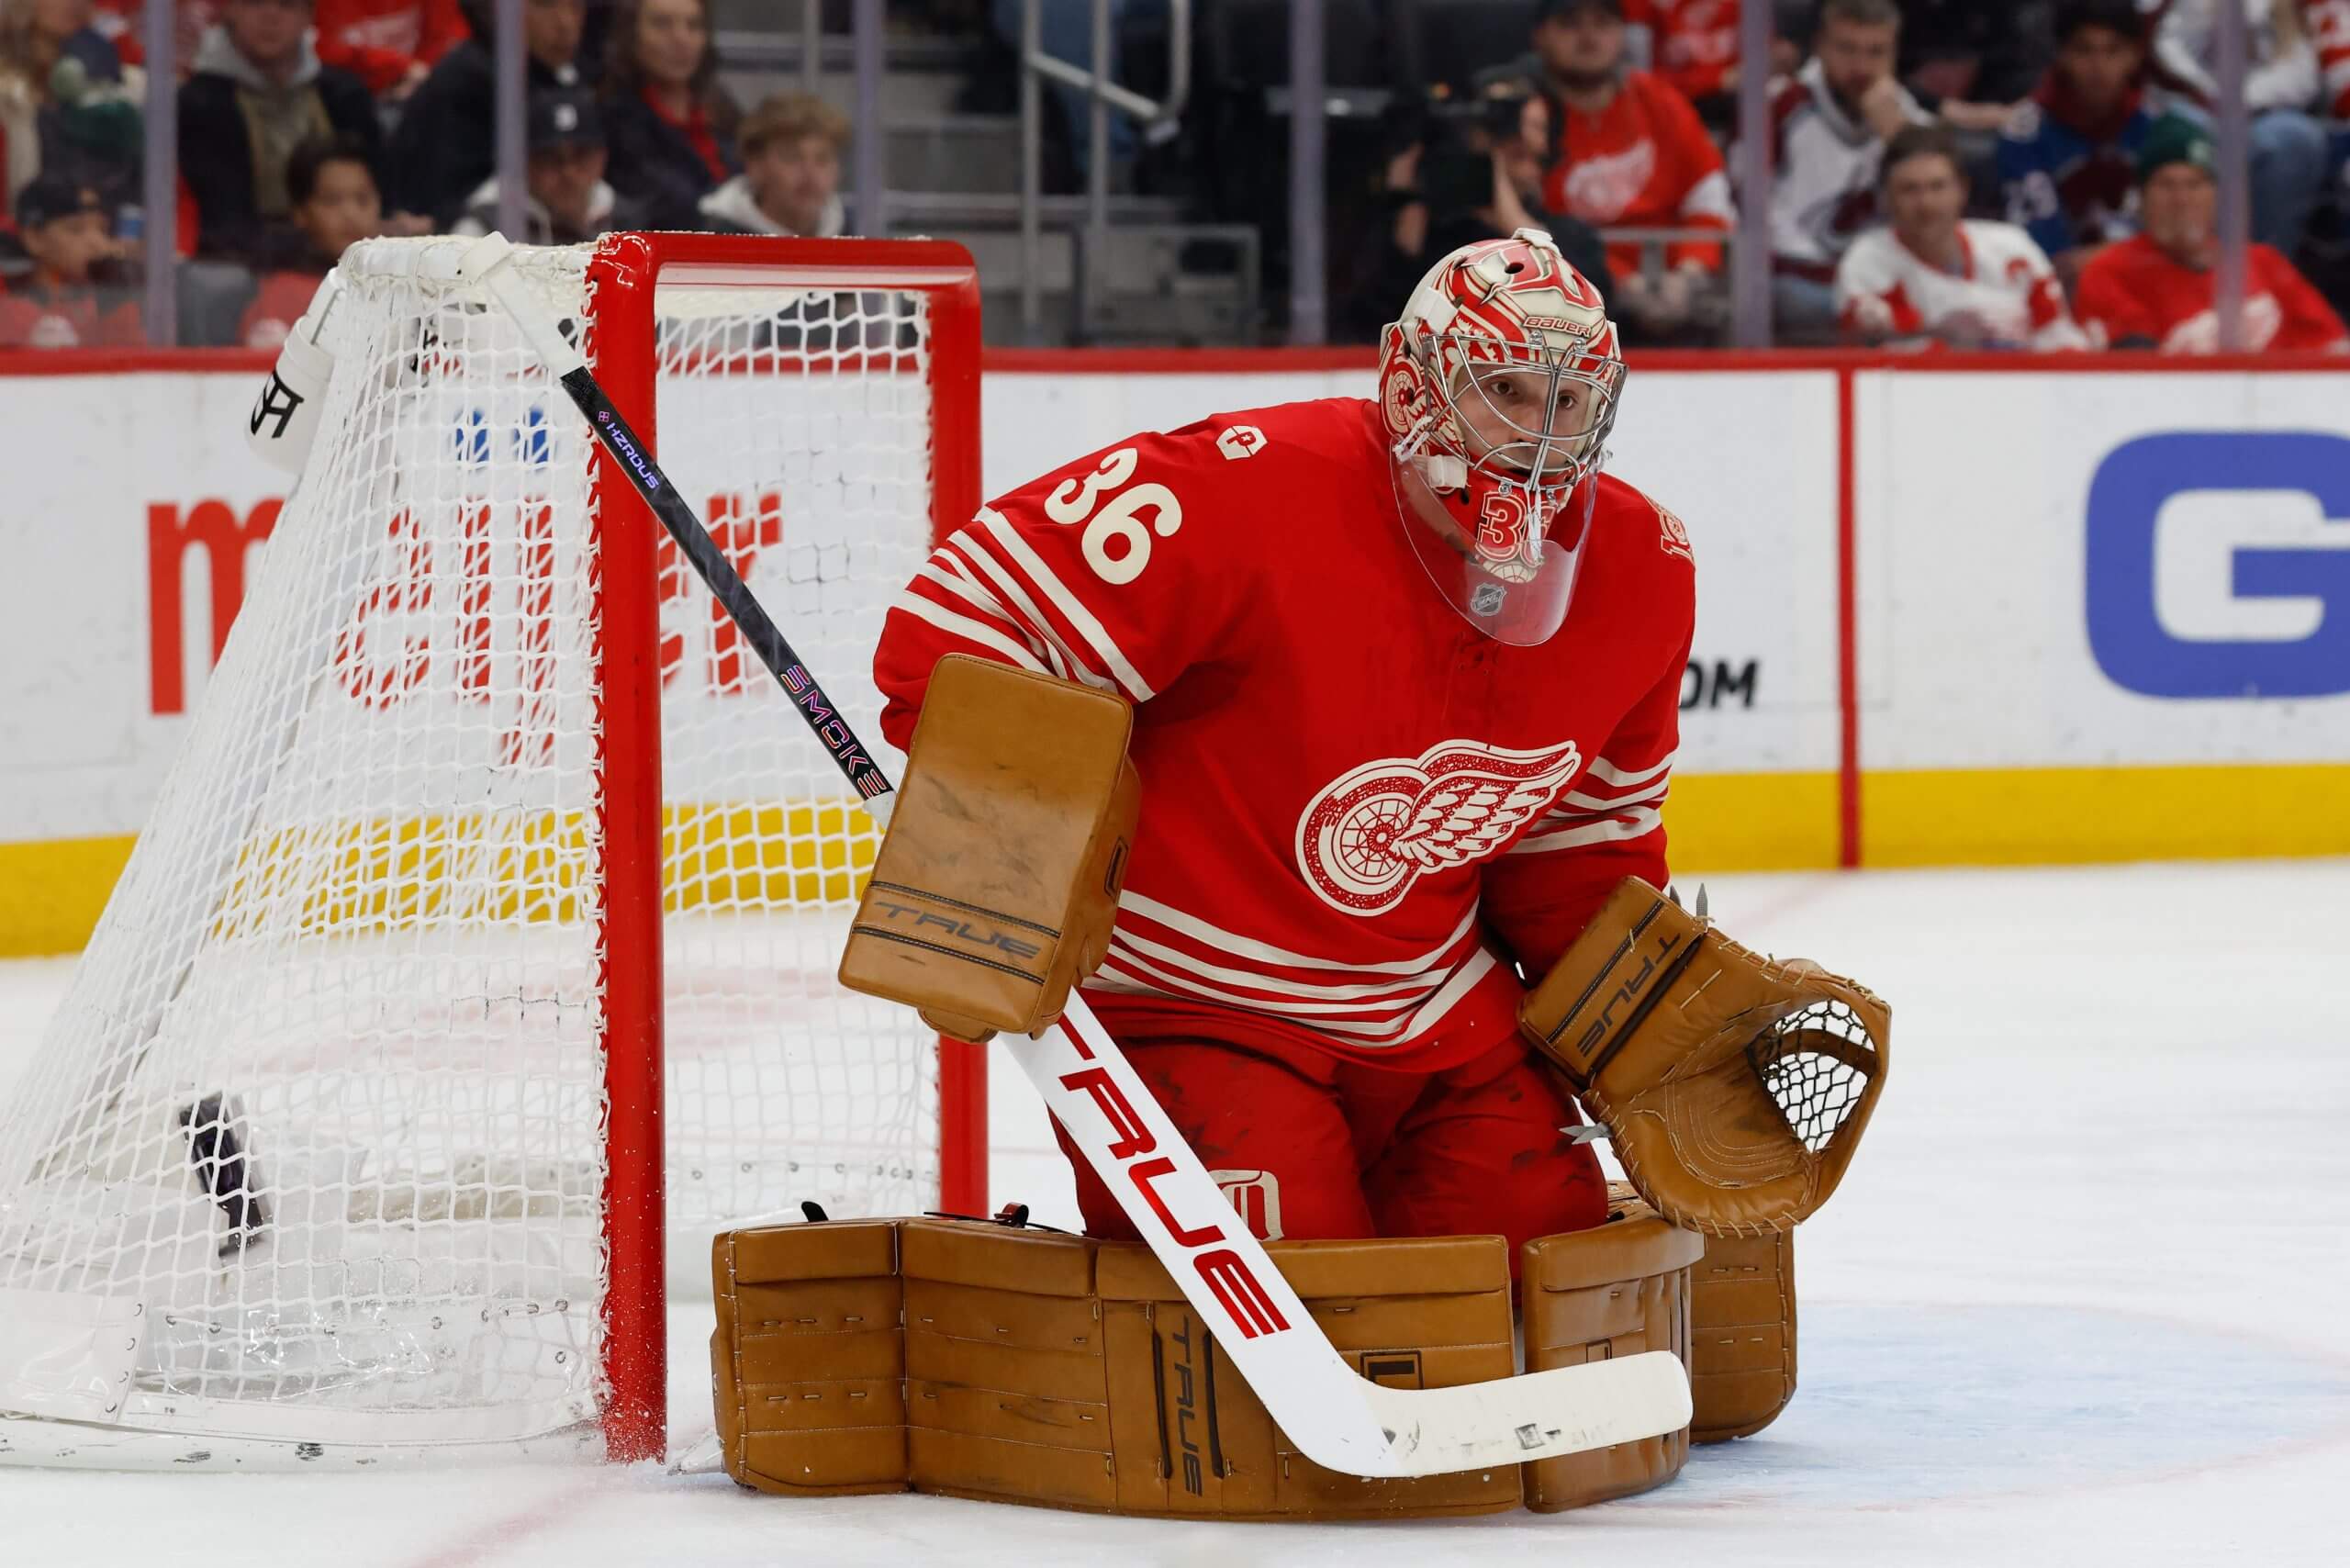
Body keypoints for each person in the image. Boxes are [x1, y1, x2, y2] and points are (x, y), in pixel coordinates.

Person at [871, 228, 1694, 1258]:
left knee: (1544, 1266)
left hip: (1435, 1022)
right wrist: (999, 869)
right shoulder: (1246, 485)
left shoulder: (1642, 567)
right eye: (1505, 390)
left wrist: (1648, 1036)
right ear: (1413, 385)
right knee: (1302, 1301)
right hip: (1189, 1007)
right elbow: (964, 616)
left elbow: (1578, 851)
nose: (1538, 436)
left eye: (1567, 402)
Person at [1524, 0, 1732, 339]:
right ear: (1540, 36)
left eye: (1602, 24)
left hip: (1675, 293)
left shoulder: (1660, 101)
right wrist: (1618, 281)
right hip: (1564, 302)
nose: (1589, 38)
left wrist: (1689, 274)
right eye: (1570, 24)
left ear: (1623, 33)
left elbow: (1708, 197)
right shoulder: (1527, 115)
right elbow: (1526, 220)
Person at [1348, 81, 1615, 342]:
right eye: (1502, 135)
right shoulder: (1436, 236)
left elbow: (1591, 309)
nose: (1521, 142)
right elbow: (1382, 317)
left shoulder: (1571, 237)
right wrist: (1406, 196)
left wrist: (1508, 213)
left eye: (1536, 129)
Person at [2073, 114, 2349, 352]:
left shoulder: (2263, 263)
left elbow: (2333, 350)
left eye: (2194, 184)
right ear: (2142, 199)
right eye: (2166, 185)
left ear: (2217, 196)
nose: (2181, 199)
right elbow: (2137, 378)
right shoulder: (2112, 272)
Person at [1837, 123, 2088, 351]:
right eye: (1909, 189)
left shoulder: (2013, 248)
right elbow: (1884, 358)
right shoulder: (1867, 264)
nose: (1926, 203)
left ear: (1963, 189)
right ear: (1887, 198)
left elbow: (2060, 338)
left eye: (1938, 186)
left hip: (2026, 384)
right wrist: (1945, 338)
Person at [1768, 0, 1931, 341]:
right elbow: (1748, 214)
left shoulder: (1909, 119)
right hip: (1799, 276)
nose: (1861, 66)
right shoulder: (1778, 107)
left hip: (1882, 277)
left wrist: (1898, 143)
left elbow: (1937, 220)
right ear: (1820, 47)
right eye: (1847, 49)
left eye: (1876, 52)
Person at [177, 0, 385, 261]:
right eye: (256, 3)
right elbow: (221, 224)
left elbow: (381, 198)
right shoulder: (199, 105)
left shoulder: (346, 96)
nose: (271, 17)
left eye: (286, 4)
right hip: (240, 265)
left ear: (308, 15)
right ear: (229, 9)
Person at [1998, 0, 2159, 291]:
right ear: (2061, 54)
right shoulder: (2025, 132)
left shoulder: (2158, 126)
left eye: (2112, 50)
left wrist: (2105, 256)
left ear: (2134, 56)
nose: (2098, 66)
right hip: (2057, 288)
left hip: (2145, 279)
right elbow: (2043, 251)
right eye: (2084, 50)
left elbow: (2172, 236)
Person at [387, 0, 585, 230]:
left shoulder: (564, 74)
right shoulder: (467, 81)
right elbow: (447, 204)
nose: (566, 23)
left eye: (576, 6)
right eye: (545, 5)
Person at [2152, 0, 2327, 255]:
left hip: (2263, 113)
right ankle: (2191, 263)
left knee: (2297, 137)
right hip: (2200, 107)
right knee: (2179, 132)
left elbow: (2302, 75)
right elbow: (2168, 48)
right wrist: (2209, 90)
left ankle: (2265, 262)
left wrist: (2244, 97)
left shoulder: (2281, 6)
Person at [599, 0, 735, 231]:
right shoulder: (614, 121)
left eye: (693, 25)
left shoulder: (724, 110)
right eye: (662, 24)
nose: (681, 39)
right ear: (632, 34)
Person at [238, 133, 383, 346]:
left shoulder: (406, 291)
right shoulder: (277, 300)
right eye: (332, 201)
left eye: (362, 199)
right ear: (300, 213)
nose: (350, 214)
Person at [451, 84, 642, 245]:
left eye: (581, 156)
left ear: (602, 157)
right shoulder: (484, 228)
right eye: (550, 159)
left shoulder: (627, 222)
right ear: (525, 164)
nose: (568, 172)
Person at [1, 0, 141, 213]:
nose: (76, 3)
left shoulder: (131, 88)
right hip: (26, 226)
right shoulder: (7, 95)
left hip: (111, 224)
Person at [0, 171, 138, 345]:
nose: (98, 243)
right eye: (76, 229)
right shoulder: (11, 310)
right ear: (34, 238)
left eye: (103, 230)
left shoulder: (109, 301)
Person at [699, 90, 845, 238]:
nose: (810, 173)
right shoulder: (708, 236)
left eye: (822, 159)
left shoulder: (850, 232)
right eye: (791, 157)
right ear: (755, 166)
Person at [311, 0, 466, 98]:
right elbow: (318, 46)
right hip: (343, 99)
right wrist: (399, 66)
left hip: (417, 93)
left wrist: (423, 76)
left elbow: (445, 36)